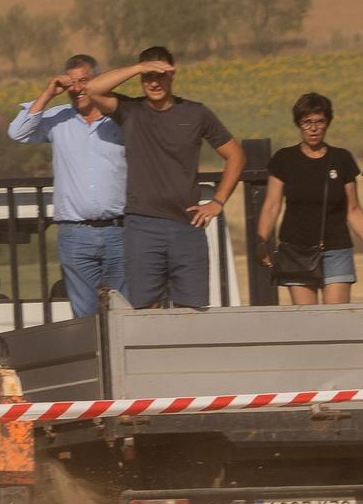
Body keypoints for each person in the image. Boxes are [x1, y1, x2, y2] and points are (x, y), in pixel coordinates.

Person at [83, 47, 245, 310]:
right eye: (148, 77)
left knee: (191, 312)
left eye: (161, 76)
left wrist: (217, 202)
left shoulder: (196, 113)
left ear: (172, 76)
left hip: (188, 227)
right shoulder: (130, 110)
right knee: (146, 311)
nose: (154, 83)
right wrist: (139, 67)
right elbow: (93, 89)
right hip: (142, 227)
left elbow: (236, 155)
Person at [7, 54, 128, 317]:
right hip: (76, 234)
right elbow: (18, 132)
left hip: (119, 231)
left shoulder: (120, 117)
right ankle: (94, 360)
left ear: (97, 81)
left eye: (83, 81)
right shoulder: (58, 119)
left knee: (125, 314)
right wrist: (49, 92)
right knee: (85, 316)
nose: (76, 89)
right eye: (70, 83)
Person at [257, 93, 363, 305]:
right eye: (307, 122)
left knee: (337, 318)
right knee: (309, 322)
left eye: (319, 121)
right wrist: (262, 240)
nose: (313, 128)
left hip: (336, 248)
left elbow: (353, 210)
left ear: (327, 123)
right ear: (299, 124)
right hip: (296, 250)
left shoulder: (342, 159)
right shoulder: (284, 159)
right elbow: (271, 206)